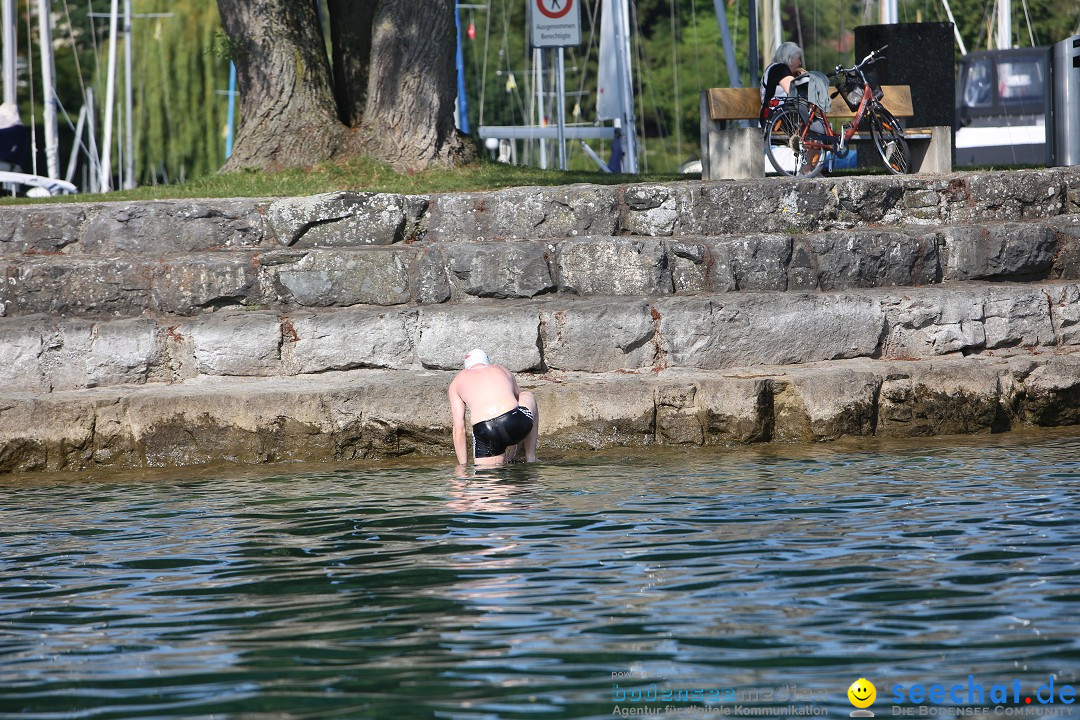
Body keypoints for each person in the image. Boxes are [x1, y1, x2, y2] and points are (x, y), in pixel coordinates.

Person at [448, 349, 539, 468]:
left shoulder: (456, 382)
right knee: (527, 395)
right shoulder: (501, 369)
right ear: (487, 362)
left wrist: (463, 466)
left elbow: (459, 429)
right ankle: (531, 457)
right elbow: (517, 399)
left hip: (486, 431)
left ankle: (504, 457)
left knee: (488, 479)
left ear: (466, 367)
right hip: (514, 421)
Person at [759, 42, 806, 126]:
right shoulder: (780, 69)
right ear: (790, 58)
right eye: (798, 59)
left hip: (773, 117)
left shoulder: (774, 68)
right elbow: (794, 91)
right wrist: (804, 78)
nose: (799, 63)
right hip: (776, 119)